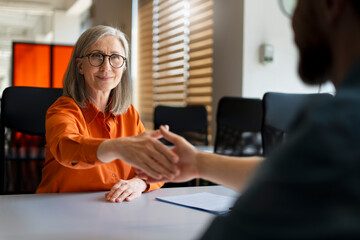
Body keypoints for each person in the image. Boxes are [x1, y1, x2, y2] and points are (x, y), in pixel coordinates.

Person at [140, 0, 360, 238]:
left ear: (331, 5)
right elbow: (291, 177)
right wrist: (197, 163)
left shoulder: (338, 125)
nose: (292, 18)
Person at [36, 25, 179, 203]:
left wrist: (139, 184)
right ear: (80, 66)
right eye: (96, 56)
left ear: (124, 66)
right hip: (60, 209)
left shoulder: (130, 114)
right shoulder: (63, 110)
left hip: (115, 210)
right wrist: (117, 147)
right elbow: (66, 149)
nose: (106, 67)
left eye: (115, 58)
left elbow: (157, 167)